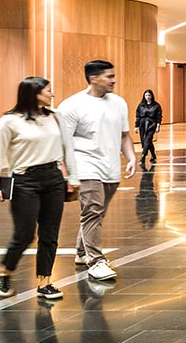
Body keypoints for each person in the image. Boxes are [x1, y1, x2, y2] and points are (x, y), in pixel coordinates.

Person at [0, 77, 79, 300]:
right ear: (35, 93)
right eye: (48, 91)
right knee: (25, 234)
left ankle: (45, 282)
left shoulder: (56, 116)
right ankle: (4, 271)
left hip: (54, 178)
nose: (52, 94)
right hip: (25, 180)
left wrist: (73, 177)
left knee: (50, 233)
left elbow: (68, 148)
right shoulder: (9, 121)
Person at [57, 60, 135, 282]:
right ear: (94, 78)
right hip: (84, 166)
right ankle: (96, 261)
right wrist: (66, 174)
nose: (114, 80)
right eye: (109, 76)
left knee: (97, 213)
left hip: (110, 167)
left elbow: (124, 135)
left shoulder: (119, 103)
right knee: (92, 210)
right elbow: (63, 142)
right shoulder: (72, 106)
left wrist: (131, 157)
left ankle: (82, 253)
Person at [134, 89, 162, 166]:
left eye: (149, 95)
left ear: (152, 96)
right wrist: (136, 126)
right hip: (142, 124)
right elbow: (138, 116)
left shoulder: (156, 105)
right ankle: (153, 154)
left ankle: (143, 155)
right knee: (145, 140)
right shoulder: (141, 105)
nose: (148, 97)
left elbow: (159, 117)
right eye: (146, 95)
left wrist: (158, 126)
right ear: (144, 96)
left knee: (148, 139)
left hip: (151, 124)